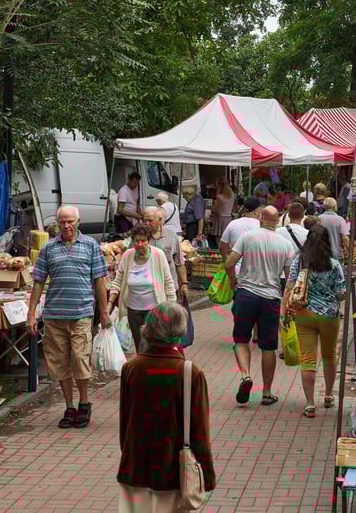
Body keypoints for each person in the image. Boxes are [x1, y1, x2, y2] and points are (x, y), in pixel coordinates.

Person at [117, 302, 215, 511]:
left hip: (135, 469)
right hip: (173, 473)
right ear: (180, 331)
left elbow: (125, 423)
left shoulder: (131, 368)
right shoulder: (190, 373)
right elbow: (200, 432)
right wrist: (206, 475)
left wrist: (128, 455)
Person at [27, 205, 110, 429]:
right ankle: (69, 406)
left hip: (81, 314)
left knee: (80, 358)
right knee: (59, 362)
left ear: (78, 222)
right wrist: (31, 313)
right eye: (62, 222)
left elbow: (100, 281)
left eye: (70, 221)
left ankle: (84, 403)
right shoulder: (48, 249)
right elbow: (38, 281)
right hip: (54, 316)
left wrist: (103, 311)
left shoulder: (91, 246)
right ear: (57, 224)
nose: (66, 226)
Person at [225, 206, 295, 406]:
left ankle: (246, 376)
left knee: (240, 340)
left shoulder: (247, 237)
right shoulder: (285, 245)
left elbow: (230, 263)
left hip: (246, 294)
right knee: (268, 347)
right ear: (278, 220)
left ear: (261, 217)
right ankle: (266, 392)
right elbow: (289, 277)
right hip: (271, 298)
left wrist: (234, 283)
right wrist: (285, 299)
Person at [282, 225, 346, 418]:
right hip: (329, 316)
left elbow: (290, 286)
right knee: (329, 355)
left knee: (308, 359)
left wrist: (285, 311)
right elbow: (341, 294)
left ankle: (310, 404)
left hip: (304, 313)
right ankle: (327, 395)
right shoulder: (334, 264)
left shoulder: (299, 261)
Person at [108, 224, 177, 353]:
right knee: (139, 344)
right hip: (133, 311)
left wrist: (171, 308)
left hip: (154, 310)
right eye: (136, 240)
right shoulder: (127, 256)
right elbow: (117, 281)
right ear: (132, 240)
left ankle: (151, 370)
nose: (140, 244)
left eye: (143, 240)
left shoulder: (158, 255)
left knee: (150, 344)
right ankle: (144, 370)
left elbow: (168, 282)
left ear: (149, 241)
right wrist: (110, 303)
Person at [143, 206, 188, 300]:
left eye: (150, 221)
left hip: (168, 288)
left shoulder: (171, 235)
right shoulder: (140, 236)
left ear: (159, 220)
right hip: (147, 289)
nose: (147, 224)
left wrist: (184, 284)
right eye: (145, 220)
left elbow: (179, 263)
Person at [220, 196, 262, 277]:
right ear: (256, 211)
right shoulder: (260, 226)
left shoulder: (233, 224)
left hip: (235, 271)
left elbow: (222, 247)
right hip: (255, 273)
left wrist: (227, 261)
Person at [317, 197, 349, 262]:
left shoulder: (318, 219)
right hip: (336, 254)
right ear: (334, 206)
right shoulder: (340, 220)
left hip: (321, 253)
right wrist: (350, 252)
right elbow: (345, 238)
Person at [209, 176, 235, 248]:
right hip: (229, 218)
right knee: (228, 239)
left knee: (219, 239)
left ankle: (221, 253)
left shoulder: (220, 197)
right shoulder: (232, 194)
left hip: (221, 219)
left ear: (219, 185)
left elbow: (218, 211)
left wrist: (212, 208)